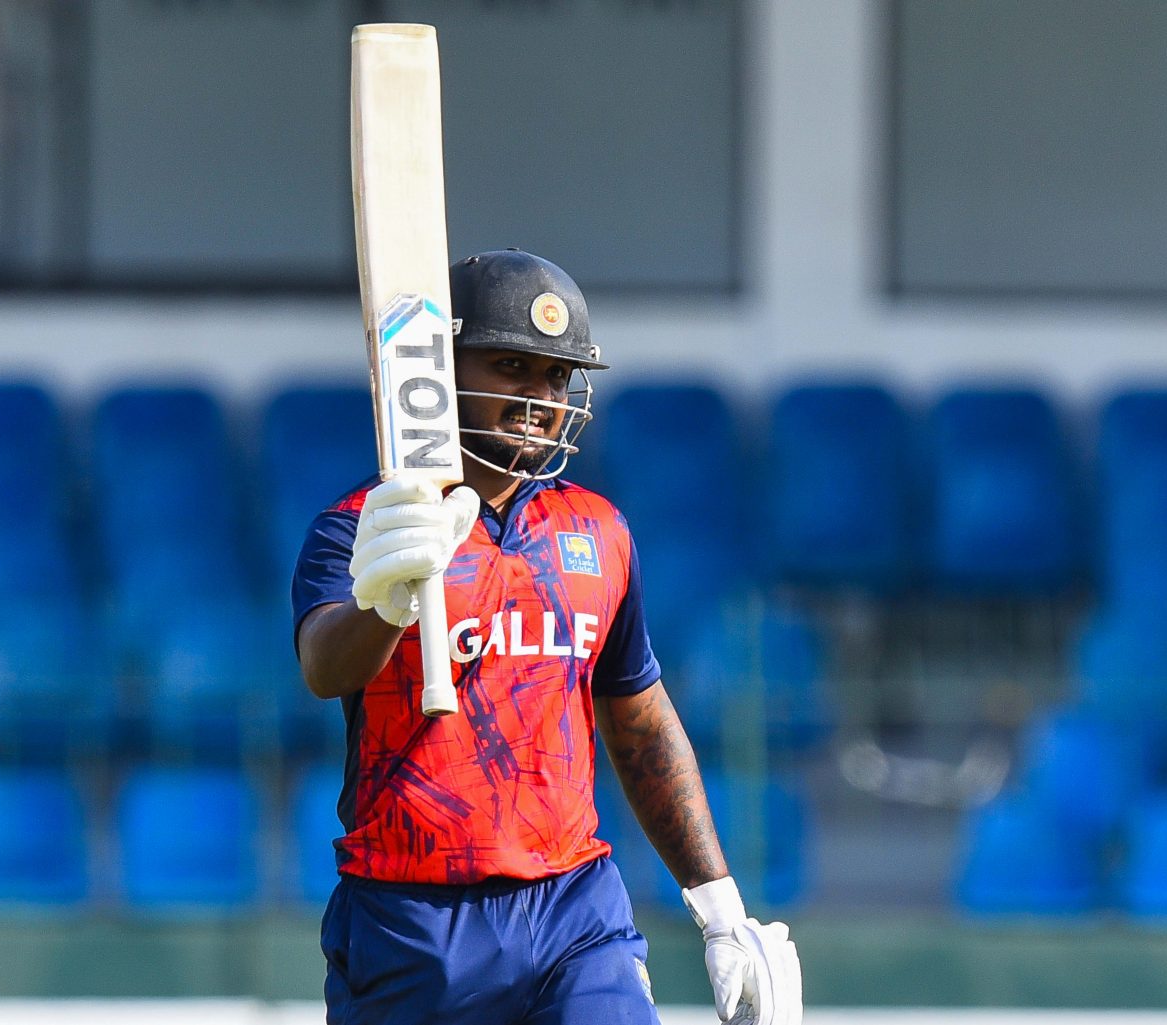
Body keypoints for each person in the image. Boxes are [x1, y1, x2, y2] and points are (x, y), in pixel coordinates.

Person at [292, 248, 802, 1025]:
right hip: (411, 922)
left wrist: (720, 908)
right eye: (512, 367)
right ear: (440, 371)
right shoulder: (361, 526)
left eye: (557, 377)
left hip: (574, 912)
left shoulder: (598, 530)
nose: (540, 397)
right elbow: (325, 667)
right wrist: (386, 600)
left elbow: (640, 721)